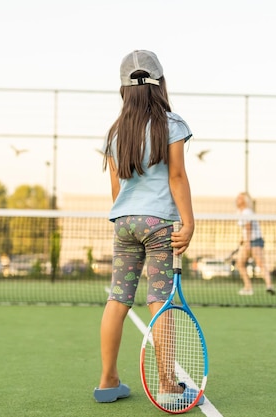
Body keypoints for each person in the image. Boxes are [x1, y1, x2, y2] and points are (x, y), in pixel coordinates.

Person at [94, 50, 201, 407]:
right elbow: (176, 175)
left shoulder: (115, 132)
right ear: (161, 84)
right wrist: (188, 222)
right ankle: (168, 385)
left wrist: (127, 217)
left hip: (124, 224)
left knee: (118, 299)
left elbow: (116, 188)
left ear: (123, 90)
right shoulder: (171, 124)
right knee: (159, 302)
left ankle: (107, 380)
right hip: (159, 226)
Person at [235, 192, 276, 296]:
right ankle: (249, 287)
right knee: (240, 264)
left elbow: (249, 226)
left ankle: (268, 286)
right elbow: (245, 228)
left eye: (240, 198)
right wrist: (242, 239)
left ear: (245, 200)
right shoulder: (239, 212)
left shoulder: (247, 212)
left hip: (254, 241)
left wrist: (247, 242)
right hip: (248, 240)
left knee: (260, 264)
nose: (237, 199)